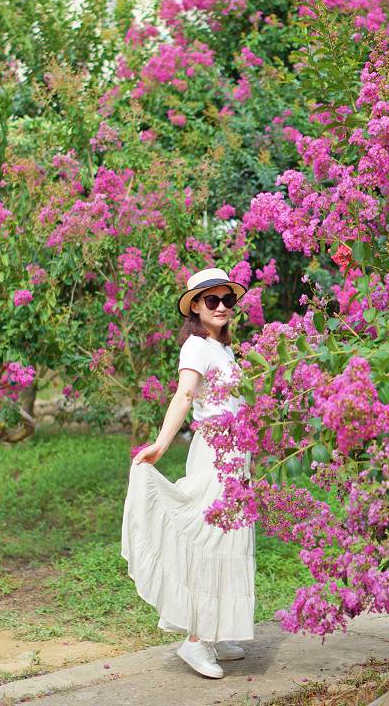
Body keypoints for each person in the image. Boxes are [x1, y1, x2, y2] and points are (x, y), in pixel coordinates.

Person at [121, 267, 255, 680]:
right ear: (195, 306)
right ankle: (195, 640)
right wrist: (161, 444)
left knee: (233, 537)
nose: (220, 307)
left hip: (237, 454)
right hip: (215, 453)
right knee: (210, 535)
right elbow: (183, 396)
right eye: (211, 300)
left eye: (226, 300)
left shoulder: (223, 348)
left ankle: (214, 632)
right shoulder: (196, 347)